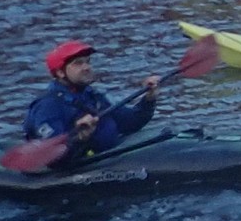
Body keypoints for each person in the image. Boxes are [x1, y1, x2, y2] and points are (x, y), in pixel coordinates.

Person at [23, 41, 159, 165]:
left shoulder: (92, 96)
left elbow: (131, 123)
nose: (87, 67)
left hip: (103, 157)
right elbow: (54, 156)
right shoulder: (47, 106)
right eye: (78, 63)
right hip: (74, 169)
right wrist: (80, 137)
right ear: (60, 72)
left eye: (87, 62)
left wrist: (149, 98)